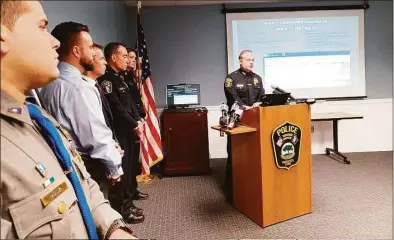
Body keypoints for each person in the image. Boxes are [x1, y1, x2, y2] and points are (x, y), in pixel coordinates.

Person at [0, 1, 135, 238]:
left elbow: (77, 183)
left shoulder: (36, 115)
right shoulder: (73, 89)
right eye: (42, 27)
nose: (54, 42)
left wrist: (114, 229)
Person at [39, 22, 126, 206]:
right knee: (98, 215)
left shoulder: (47, 82)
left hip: (63, 163)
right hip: (88, 167)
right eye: (89, 47)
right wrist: (114, 166)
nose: (94, 53)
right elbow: (95, 137)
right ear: (77, 51)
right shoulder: (79, 88)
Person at [97, 42, 147, 224]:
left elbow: (131, 103)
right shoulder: (107, 80)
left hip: (130, 129)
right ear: (113, 57)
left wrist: (137, 122)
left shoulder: (121, 77)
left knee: (130, 168)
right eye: (124, 56)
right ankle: (122, 208)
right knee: (122, 169)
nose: (128, 60)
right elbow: (117, 108)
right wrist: (134, 125)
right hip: (120, 131)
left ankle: (128, 201)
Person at [81, 43, 124, 199]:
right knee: (100, 197)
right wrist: (112, 163)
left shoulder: (94, 86)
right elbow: (93, 132)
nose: (105, 62)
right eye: (101, 58)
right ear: (90, 61)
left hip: (106, 147)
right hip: (93, 158)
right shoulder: (82, 89)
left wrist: (113, 144)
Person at [223, 50, 265, 203]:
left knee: (254, 156)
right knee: (235, 156)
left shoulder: (257, 79)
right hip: (238, 121)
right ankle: (230, 192)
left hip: (256, 122)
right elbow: (232, 99)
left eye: (253, 60)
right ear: (240, 61)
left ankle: (252, 190)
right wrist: (246, 108)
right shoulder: (231, 78)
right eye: (248, 60)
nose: (251, 62)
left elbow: (262, 98)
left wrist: (258, 105)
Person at [122, 47, 146, 176]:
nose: (133, 61)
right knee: (128, 160)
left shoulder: (130, 76)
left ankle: (133, 188)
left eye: (133, 58)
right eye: (129, 57)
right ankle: (129, 191)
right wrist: (135, 121)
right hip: (129, 122)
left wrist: (140, 117)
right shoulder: (121, 77)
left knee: (134, 156)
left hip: (136, 119)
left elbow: (134, 100)